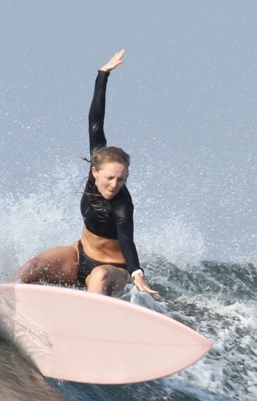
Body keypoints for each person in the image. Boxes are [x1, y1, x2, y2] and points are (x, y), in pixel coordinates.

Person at [17, 50, 161, 299]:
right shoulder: (96, 158)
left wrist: (137, 273)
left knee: (99, 277)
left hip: (112, 271)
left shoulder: (122, 205)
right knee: (34, 266)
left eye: (121, 179)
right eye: (109, 178)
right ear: (95, 171)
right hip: (79, 256)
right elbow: (96, 120)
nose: (115, 184)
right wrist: (102, 75)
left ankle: (89, 323)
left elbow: (127, 240)